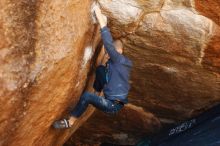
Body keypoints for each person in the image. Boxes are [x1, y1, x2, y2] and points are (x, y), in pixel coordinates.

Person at [53, 6, 132, 129]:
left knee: (86, 96)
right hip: (109, 101)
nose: (109, 54)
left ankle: (70, 122)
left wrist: (100, 17)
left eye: (113, 51)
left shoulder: (120, 60)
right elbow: (101, 67)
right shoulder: (117, 64)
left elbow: (108, 43)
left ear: (120, 51)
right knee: (100, 69)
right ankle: (96, 93)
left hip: (113, 105)